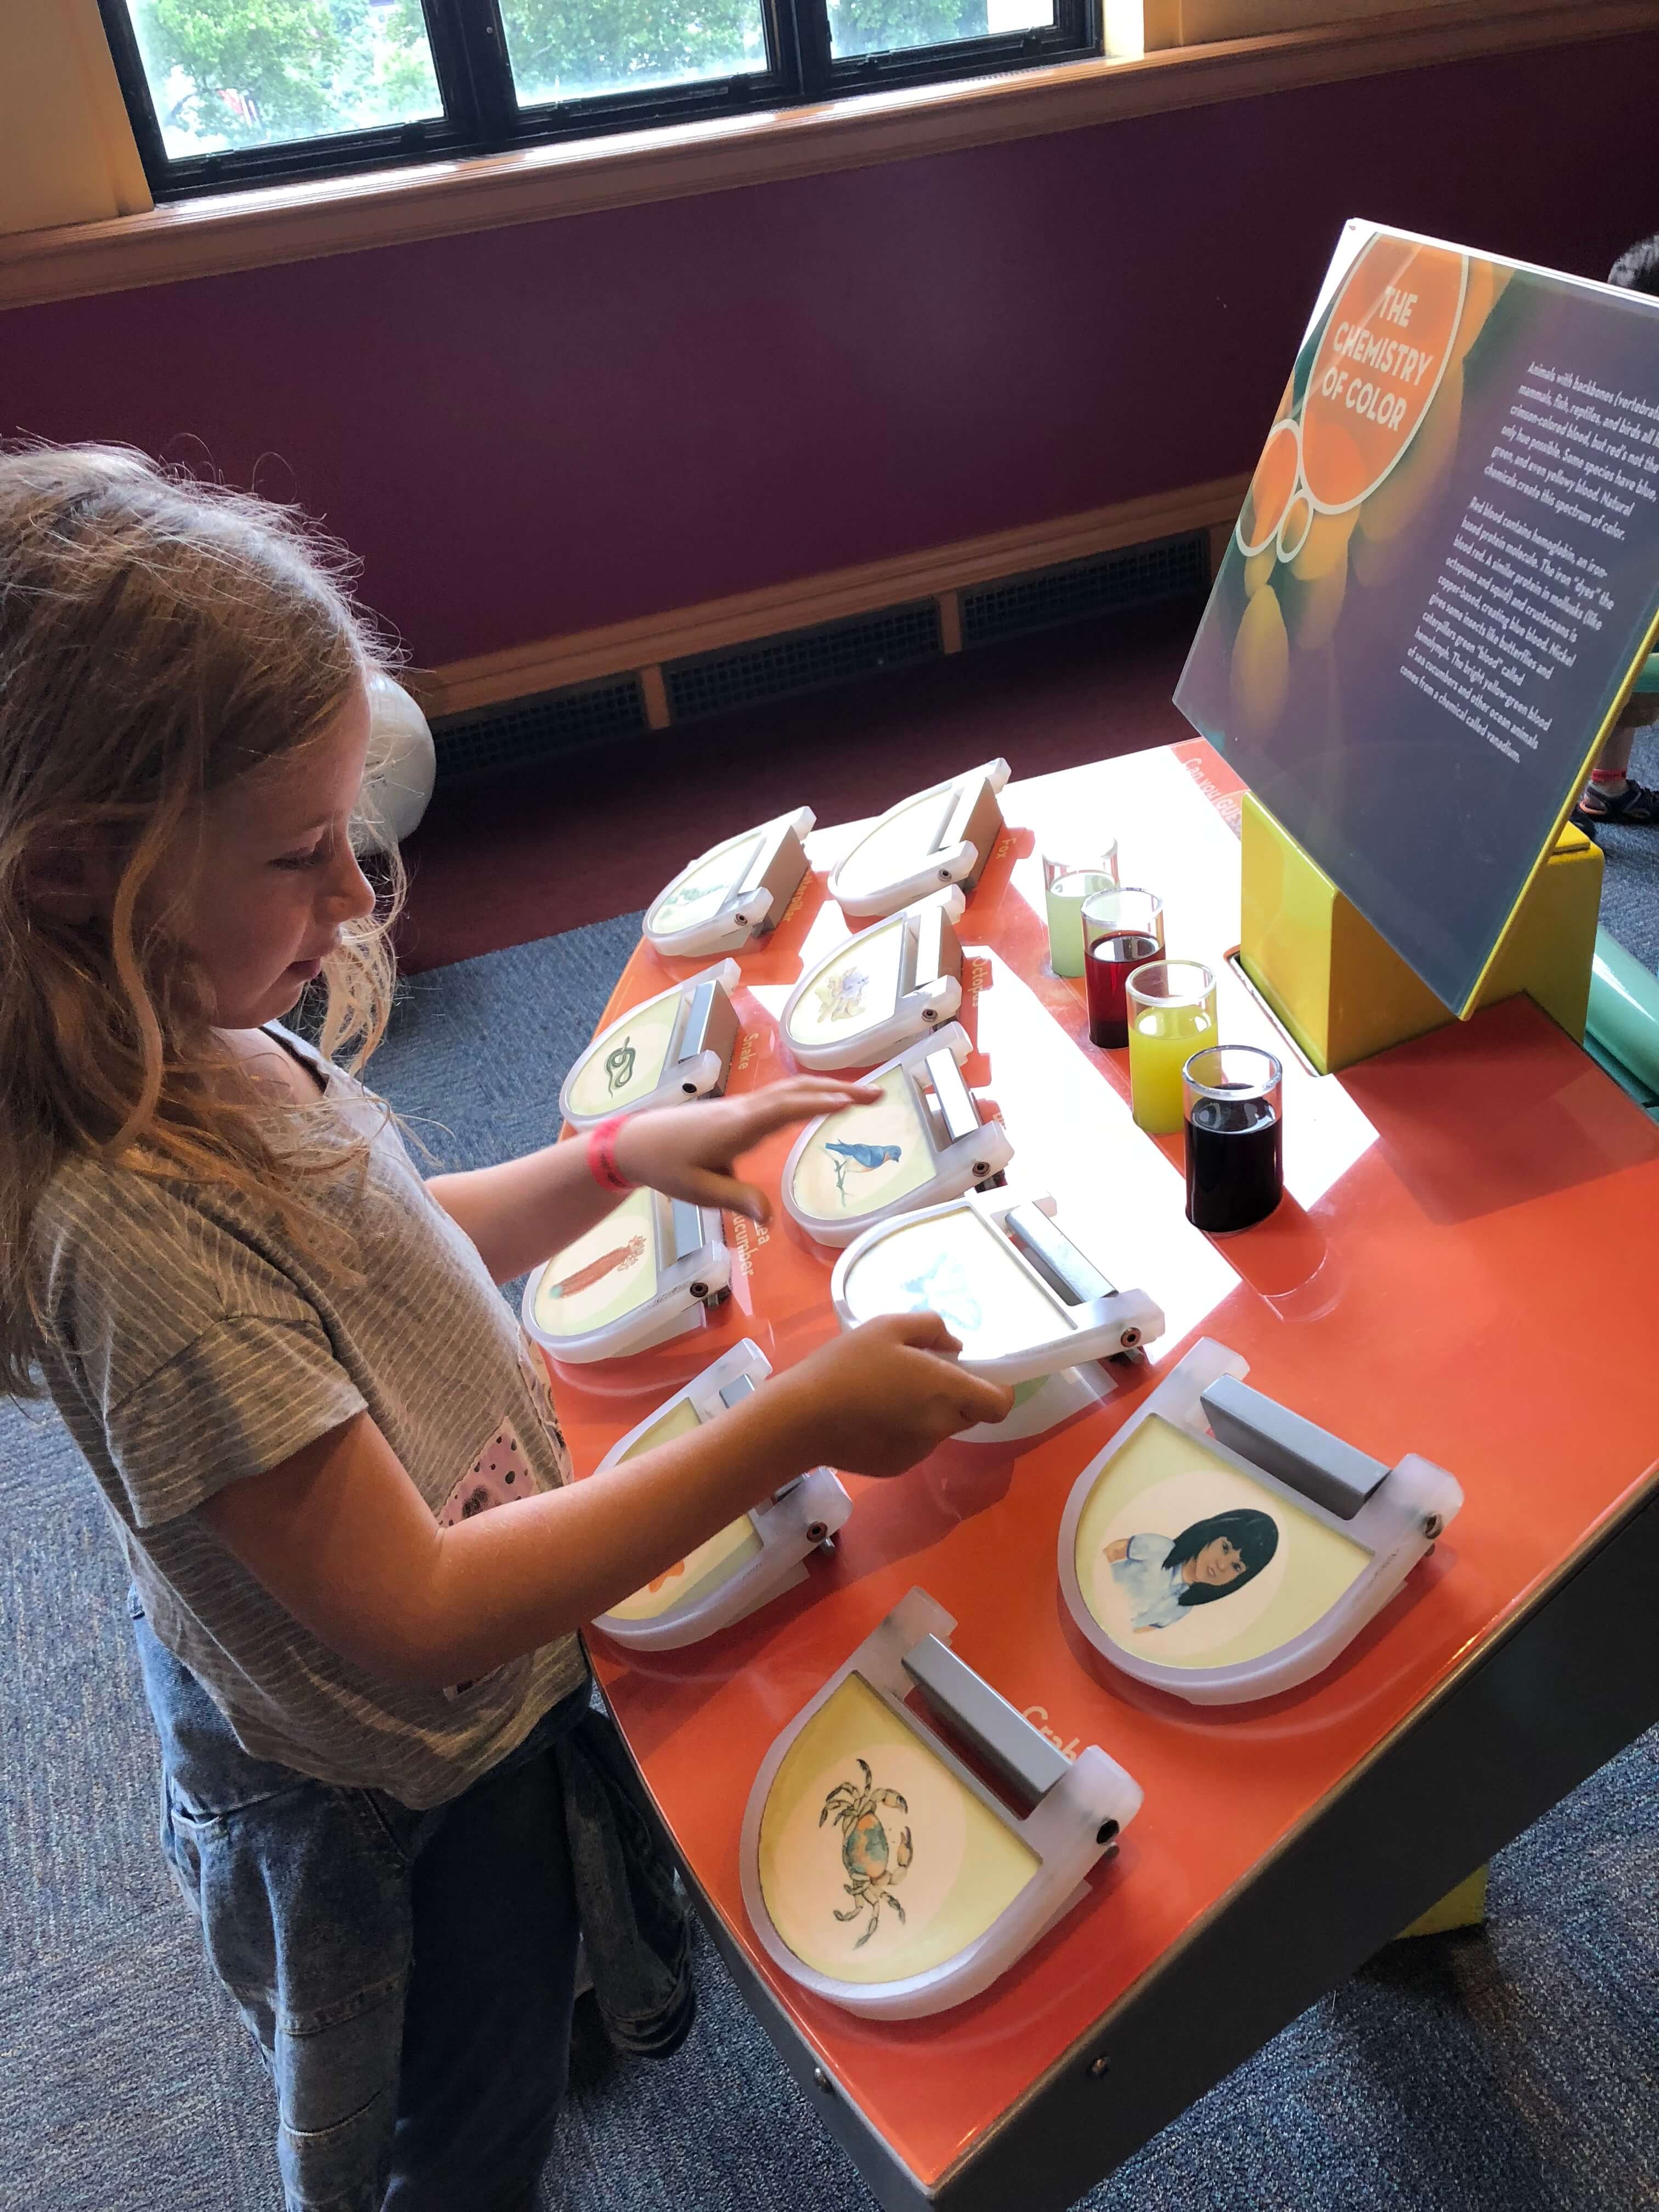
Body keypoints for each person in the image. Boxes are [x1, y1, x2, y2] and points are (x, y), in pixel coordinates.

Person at [0, 443, 1014, 2212]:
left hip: (438, 1686)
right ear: (82, 872)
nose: (356, 902)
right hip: (391, 1792)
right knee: (448, 2135)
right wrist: (789, 1425)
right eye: (301, 854)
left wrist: (610, 1160)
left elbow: (390, 1247)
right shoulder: (130, 1239)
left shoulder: (207, 1026)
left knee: (512, 2015)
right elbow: (422, 1611)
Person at [1572, 232, 1659, 830]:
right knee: (1597, 693)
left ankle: (1605, 789)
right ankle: (1555, 812)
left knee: (1625, 700)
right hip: (1610, 579)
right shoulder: (1616, 396)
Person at [1103, 1508, 1280, 1633]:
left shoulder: (1182, 1609)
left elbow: (1138, 1632)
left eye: (1236, 1566)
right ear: (1211, 1535)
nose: (1222, 1566)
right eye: (1225, 1548)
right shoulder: (1160, 1549)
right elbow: (1110, 1552)